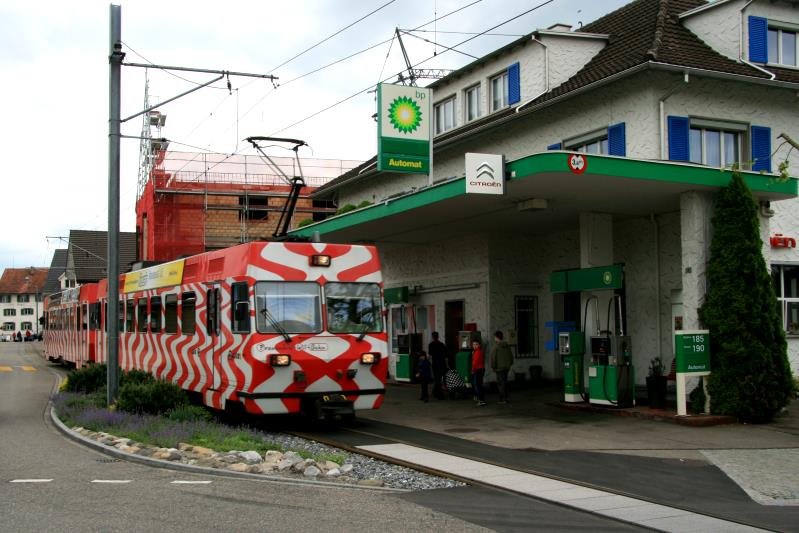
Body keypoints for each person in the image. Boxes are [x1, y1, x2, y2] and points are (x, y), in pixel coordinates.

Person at [490, 330, 515, 404]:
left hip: (499, 368)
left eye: (495, 337)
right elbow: (511, 357)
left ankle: (503, 399)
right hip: (506, 367)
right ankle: (506, 398)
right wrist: (509, 364)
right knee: (505, 382)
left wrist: (493, 367)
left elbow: (493, 358)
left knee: (501, 384)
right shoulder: (507, 346)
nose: (494, 338)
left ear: (497, 337)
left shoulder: (496, 347)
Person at [428, 331, 447, 400]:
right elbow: (445, 356)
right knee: (439, 378)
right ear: (438, 336)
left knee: (437, 379)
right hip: (442, 363)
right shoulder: (442, 344)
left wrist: (427, 362)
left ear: (432, 337)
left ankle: (439, 394)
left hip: (435, 363)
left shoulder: (431, 344)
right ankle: (435, 392)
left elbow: (430, 355)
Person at [471, 340, 486, 406]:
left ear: (479, 345)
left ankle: (481, 400)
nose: (474, 346)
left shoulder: (477, 352)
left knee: (478, 385)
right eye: (473, 344)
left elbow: (475, 362)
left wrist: (473, 370)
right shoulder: (477, 351)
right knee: (478, 385)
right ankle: (480, 399)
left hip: (478, 370)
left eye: (476, 344)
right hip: (480, 369)